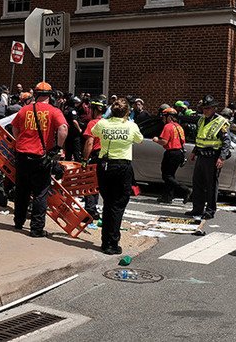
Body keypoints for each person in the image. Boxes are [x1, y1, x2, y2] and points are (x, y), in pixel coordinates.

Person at [11, 82, 68, 238]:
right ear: (49, 95)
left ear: (35, 94)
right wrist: (57, 147)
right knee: (40, 193)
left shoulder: (24, 110)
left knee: (22, 191)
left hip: (22, 155)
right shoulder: (54, 111)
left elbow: (14, 128)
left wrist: (20, 140)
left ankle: (18, 221)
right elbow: (63, 128)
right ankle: (36, 229)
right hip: (41, 156)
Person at [91, 98, 143, 254]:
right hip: (122, 166)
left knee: (108, 203)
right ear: (127, 112)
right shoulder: (131, 125)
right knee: (118, 205)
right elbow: (139, 140)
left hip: (105, 165)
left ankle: (105, 241)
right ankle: (112, 243)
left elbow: (93, 133)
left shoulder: (102, 123)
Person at [186, 95, 231, 220]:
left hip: (213, 157)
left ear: (214, 108)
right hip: (201, 156)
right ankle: (197, 209)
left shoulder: (221, 122)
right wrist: (195, 151)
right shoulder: (201, 120)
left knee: (211, 185)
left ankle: (210, 211)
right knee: (198, 183)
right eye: (204, 108)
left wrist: (221, 158)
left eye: (208, 108)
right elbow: (200, 138)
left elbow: (226, 142)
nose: (205, 111)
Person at [152, 108, 190, 203]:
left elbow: (164, 141)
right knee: (171, 175)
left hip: (171, 153)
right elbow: (183, 141)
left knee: (167, 176)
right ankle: (167, 197)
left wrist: (157, 140)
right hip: (179, 153)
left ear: (169, 117)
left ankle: (185, 190)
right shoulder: (179, 127)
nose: (162, 119)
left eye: (164, 117)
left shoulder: (168, 126)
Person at [81, 99, 106, 219]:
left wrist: (84, 159)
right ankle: (96, 210)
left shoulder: (93, 123)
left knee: (90, 183)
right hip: (108, 157)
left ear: (94, 110)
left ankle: (90, 211)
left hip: (96, 156)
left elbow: (89, 143)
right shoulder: (107, 123)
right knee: (100, 185)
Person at [63, 95, 83, 161]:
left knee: (68, 152)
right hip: (74, 134)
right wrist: (79, 129)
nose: (77, 105)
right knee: (76, 151)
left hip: (67, 133)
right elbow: (74, 121)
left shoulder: (66, 109)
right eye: (75, 103)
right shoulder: (73, 111)